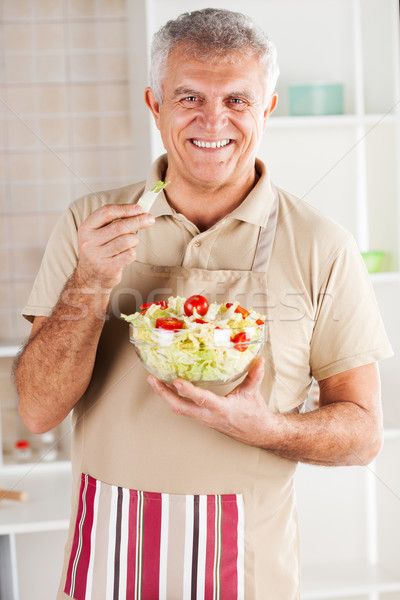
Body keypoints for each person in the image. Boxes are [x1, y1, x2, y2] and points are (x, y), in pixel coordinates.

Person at [14, 8, 392, 600]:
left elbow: (364, 433)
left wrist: (265, 427)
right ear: (154, 104)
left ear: (266, 109)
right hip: (109, 562)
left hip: (248, 572)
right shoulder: (91, 228)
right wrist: (89, 281)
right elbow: (37, 412)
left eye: (237, 101)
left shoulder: (322, 244)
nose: (213, 120)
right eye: (189, 96)